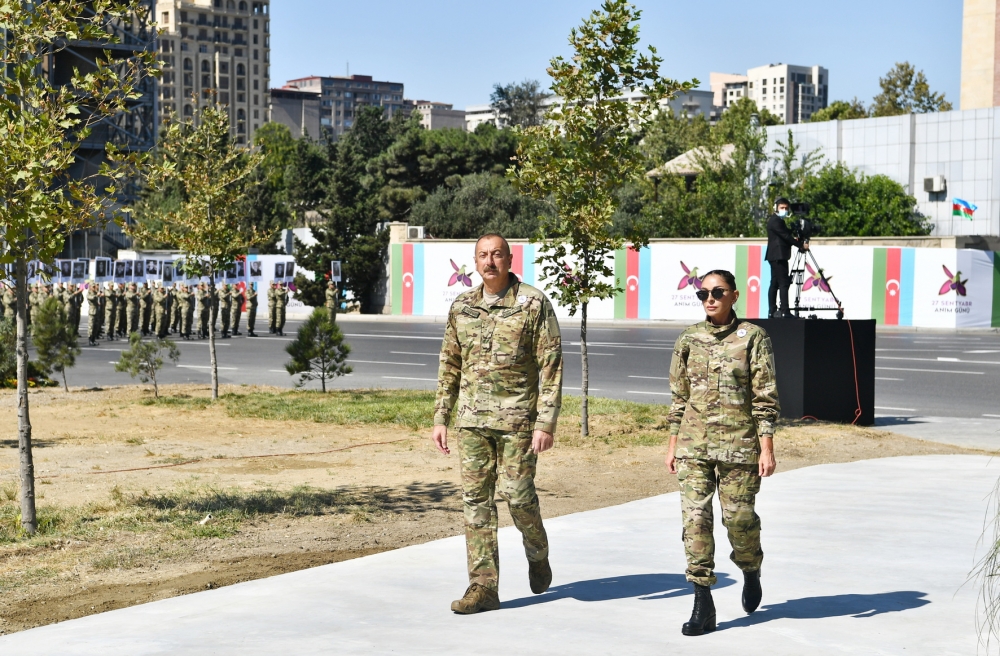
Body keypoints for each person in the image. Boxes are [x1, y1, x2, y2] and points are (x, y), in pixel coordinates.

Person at [432, 233, 563, 615]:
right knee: (476, 503)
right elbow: (449, 365)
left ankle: (537, 552)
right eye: (483, 255)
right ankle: (483, 587)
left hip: (518, 420)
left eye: (497, 255)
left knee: (519, 497)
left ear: (509, 258)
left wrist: (546, 422)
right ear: (475, 262)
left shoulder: (533, 303)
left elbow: (551, 366)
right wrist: (441, 416)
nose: (490, 261)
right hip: (472, 420)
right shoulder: (462, 307)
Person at [664, 269, 780, 637]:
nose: (709, 299)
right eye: (703, 294)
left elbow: (765, 398)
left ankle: (750, 566)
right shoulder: (688, 339)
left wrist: (767, 448)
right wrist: (671, 445)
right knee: (695, 521)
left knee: (739, 521)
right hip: (692, 447)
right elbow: (678, 397)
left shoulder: (754, 338)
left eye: (717, 292)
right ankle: (703, 601)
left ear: (734, 296)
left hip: (739, 447)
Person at [765, 198, 808, 318]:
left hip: (776, 256)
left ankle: (772, 311)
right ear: (776, 208)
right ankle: (785, 311)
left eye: (786, 208)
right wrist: (800, 245)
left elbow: (786, 233)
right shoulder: (776, 221)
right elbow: (786, 236)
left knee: (775, 283)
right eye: (782, 208)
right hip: (778, 256)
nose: (784, 210)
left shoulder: (777, 221)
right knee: (783, 283)